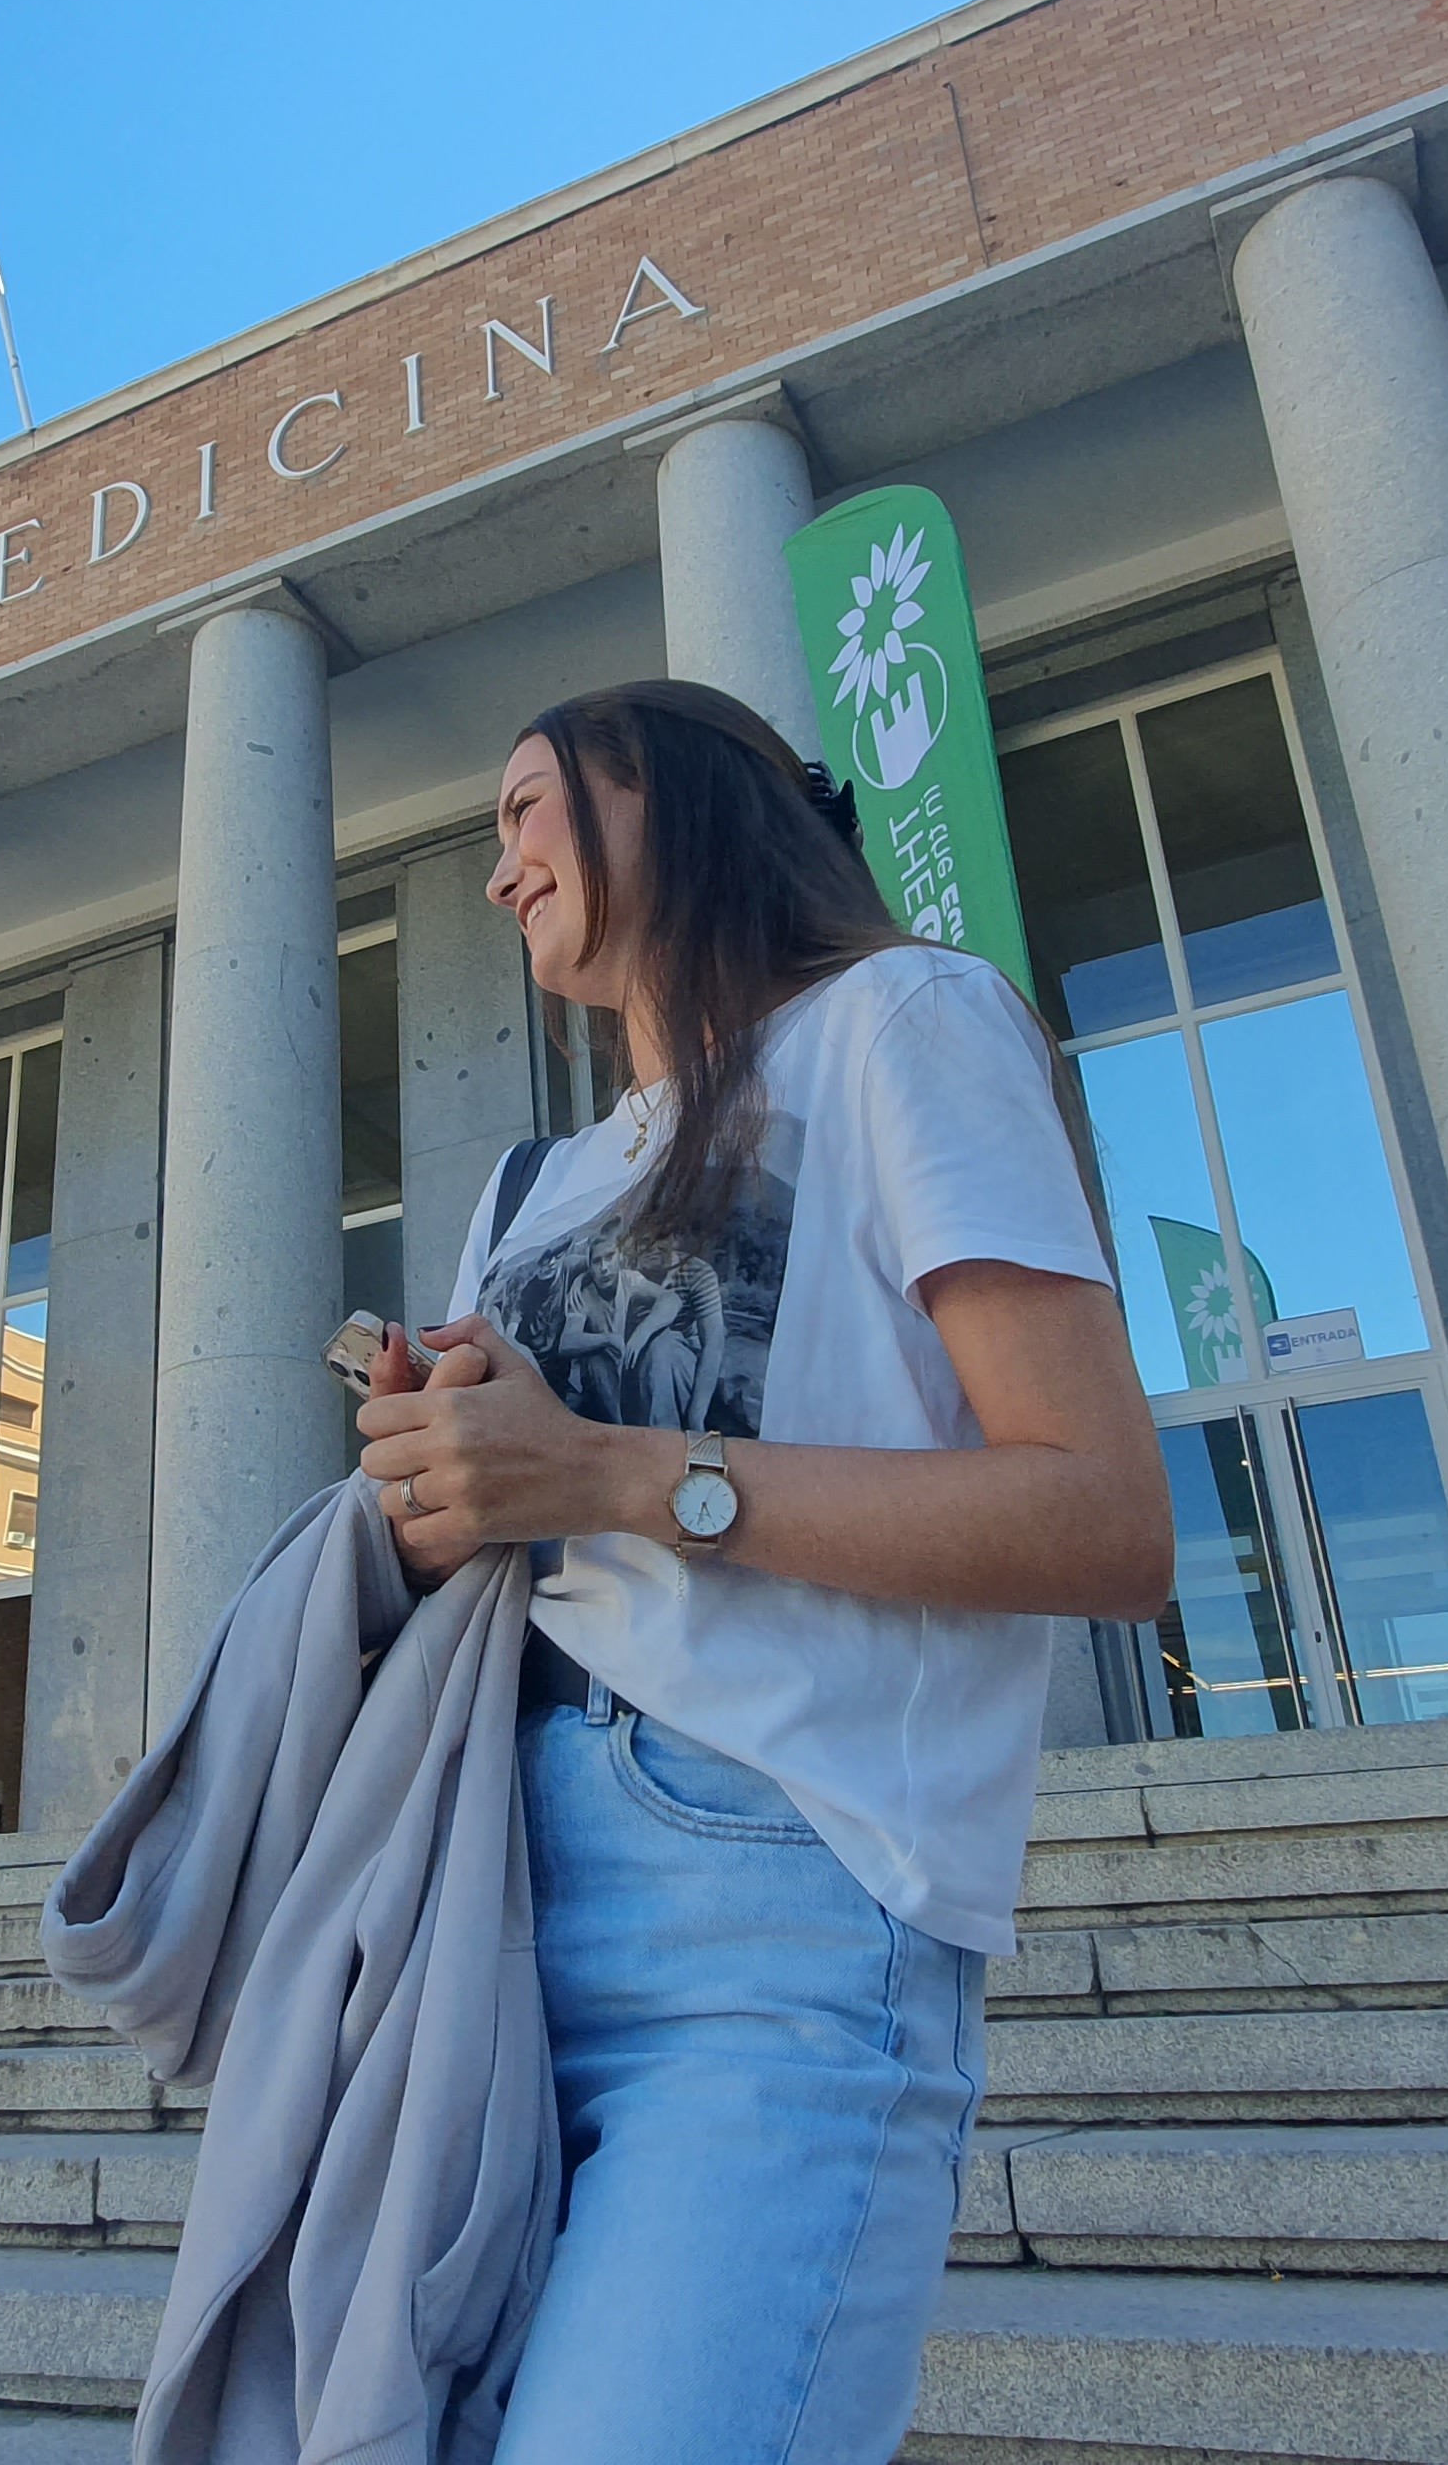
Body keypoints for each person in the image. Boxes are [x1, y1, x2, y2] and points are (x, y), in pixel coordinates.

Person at [351, 680, 1174, 2464]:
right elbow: (507, 1535)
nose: (498, 870)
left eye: (524, 809)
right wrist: (441, 1479)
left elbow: (1102, 1516)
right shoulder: (535, 1182)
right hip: (484, 1903)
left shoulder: (901, 1022)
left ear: (665, 789)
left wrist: (618, 1469)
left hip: (777, 1885)